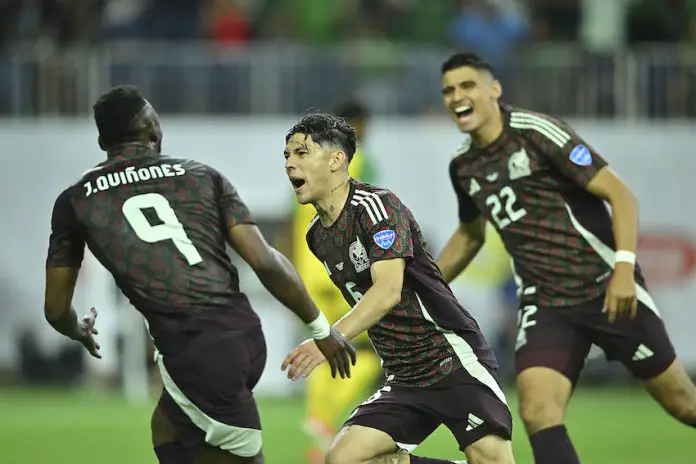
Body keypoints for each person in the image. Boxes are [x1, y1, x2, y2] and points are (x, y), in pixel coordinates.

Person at [42, 85, 356, 464]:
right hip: (236, 335)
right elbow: (265, 261)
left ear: (102, 140)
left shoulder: (75, 201)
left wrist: (77, 329)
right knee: (168, 430)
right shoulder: (201, 176)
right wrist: (322, 329)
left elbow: (56, 308)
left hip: (198, 352)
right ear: (154, 132)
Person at [436, 52, 696, 464]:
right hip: (547, 304)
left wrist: (624, 268)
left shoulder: (536, 132)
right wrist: (418, 286)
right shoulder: (463, 166)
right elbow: (470, 236)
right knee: (538, 411)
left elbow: (621, 196)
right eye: (448, 90)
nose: (457, 97)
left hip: (606, 287)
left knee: (685, 405)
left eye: (467, 86)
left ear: (494, 90)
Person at [280, 113, 515, 464]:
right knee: (343, 460)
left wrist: (330, 337)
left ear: (336, 160)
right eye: (286, 155)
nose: (290, 163)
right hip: (403, 375)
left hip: (449, 358)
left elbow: (388, 291)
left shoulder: (378, 206)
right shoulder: (318, 235)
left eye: (301, 153)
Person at [291, 100, 382, 463]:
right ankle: (329, 418)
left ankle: (319, 421)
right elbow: (371, 215)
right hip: (346, 269)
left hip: (311, 272)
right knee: (370, 353)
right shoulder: (359, 162)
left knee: (325, 343)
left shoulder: (307, 169)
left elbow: (292, 219)